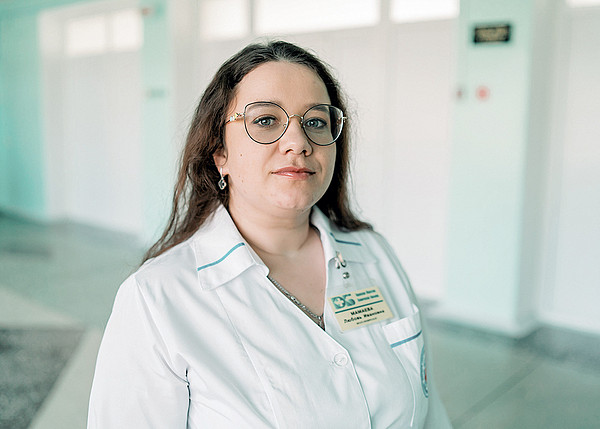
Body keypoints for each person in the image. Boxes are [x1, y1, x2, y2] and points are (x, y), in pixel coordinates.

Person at [88, 40, 452, 428]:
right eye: (265, 120)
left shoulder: (374, 253)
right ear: (220, 154)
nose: (298, 142)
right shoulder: (157, 298)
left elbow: (430, 414)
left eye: (316, 122)